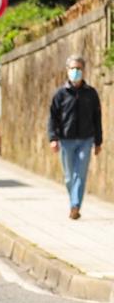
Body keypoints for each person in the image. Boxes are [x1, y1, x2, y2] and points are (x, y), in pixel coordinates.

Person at [49, 53, 103, 220]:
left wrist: (98, 141)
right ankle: (74, 200)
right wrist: (53, 138)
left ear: (83, 70)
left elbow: (97, 118)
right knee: (68, 176)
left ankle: (75, 206)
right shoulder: (60, 94)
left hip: (86, 140)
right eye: (72, 68)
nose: (75, 71)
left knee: (80, 174)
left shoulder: (91, 93)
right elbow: (53, 117)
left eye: (78, 68)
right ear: (67, 70)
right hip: (66, 141)